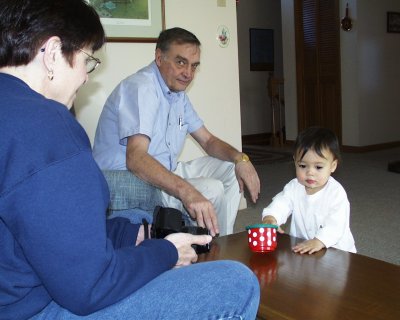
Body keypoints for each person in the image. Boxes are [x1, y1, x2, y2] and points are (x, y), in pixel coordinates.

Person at [0, 1, 260, 319]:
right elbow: (90, 287)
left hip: (24, 281)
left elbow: (43, 229)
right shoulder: (50, 129)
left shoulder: (12, 110)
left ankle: (216, 242)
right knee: (238, 282)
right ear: (53, 53)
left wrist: (241, 157)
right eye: (86, 61)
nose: (85, 77)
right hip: (34, 308)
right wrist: (163, 252)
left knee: (138, 219)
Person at [92, 27, 261, 236]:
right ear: (159, 58)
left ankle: (220, 241)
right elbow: (135, 159)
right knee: (211, 189)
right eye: (180, 62)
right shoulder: (142, 88)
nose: (188, 73)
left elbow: (208, 141)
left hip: (165, 169)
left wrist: (241, 159)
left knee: (231, 168)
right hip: (132, 179)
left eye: (194, 66)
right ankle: (211, 247)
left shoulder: (177, 94)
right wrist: (187, 191)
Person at [261, 127, 356, 254]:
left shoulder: (336, 193)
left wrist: (319, 240)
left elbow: (336, 225)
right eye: (302, 166)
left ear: (333, 166)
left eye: (318, 167)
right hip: (303, 246)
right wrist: (271, 218)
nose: (310, 172)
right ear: (295, 162)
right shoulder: (293, 187)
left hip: (336, 251)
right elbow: (281, 204)